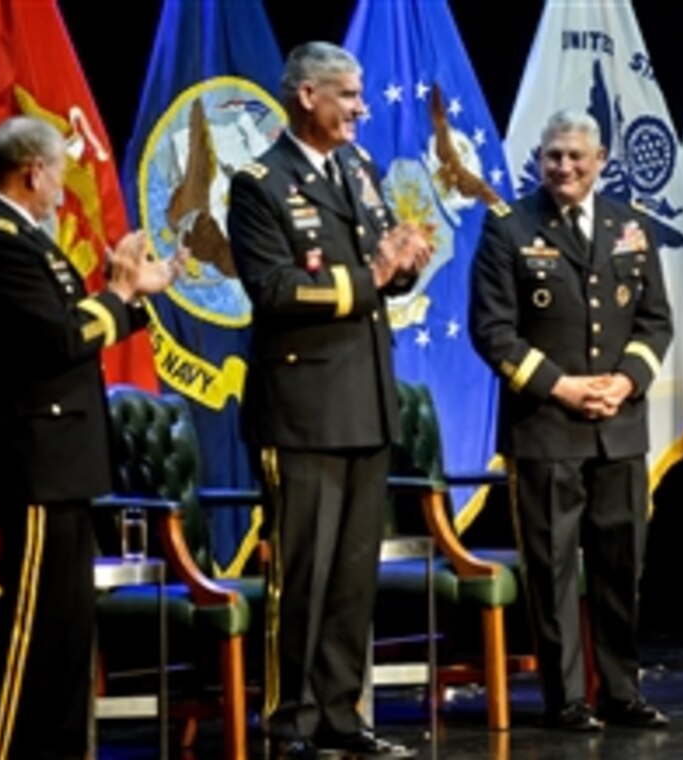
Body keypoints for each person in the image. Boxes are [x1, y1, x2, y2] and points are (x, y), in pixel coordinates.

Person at [0, 114, 177, 759]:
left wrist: (132, 297)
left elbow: (75, 327)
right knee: (34, 625)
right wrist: (120, 293)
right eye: (60, 175)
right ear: (33, 171)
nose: (63, 188)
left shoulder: (28, 235)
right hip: (35, 455)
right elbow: (57, 339)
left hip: (63, 456)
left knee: (71, 629)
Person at [227, 41, 432, 760]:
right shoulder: (258, 183)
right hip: (303, 406)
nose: (359, 108)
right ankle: (289, 723)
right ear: (306, 96)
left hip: (367, 399)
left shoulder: (358, 168)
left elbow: (378, 274)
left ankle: (343, 715)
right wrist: (375, 275)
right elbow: (275, 291)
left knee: (353, 575)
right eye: (346, 94)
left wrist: (403, 268)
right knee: (303, 574)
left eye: (360, 93)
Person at [469, 108, 673, 732]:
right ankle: (567, 700)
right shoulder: (508, 226)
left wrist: (626, 381)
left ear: (600, 161)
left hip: (619, 426)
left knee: (619, 565)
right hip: (546, 427)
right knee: (553, 567)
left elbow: (655, 320)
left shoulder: (631, 226)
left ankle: (620, 692)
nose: (562, 167)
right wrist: (562, 387)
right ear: (538, 159)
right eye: (552, 156)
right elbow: (492, 330)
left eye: (575, 157)